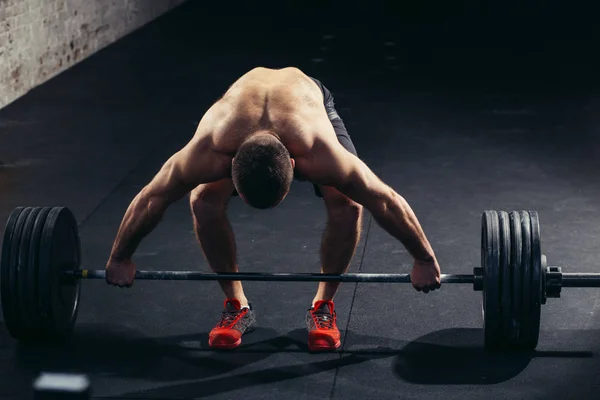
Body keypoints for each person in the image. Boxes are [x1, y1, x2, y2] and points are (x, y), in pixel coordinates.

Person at [105, 67, 441, 351]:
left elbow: (383, 199)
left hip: (308, 99)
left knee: (348, 203)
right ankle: (236, 306)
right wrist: (120, 255)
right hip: (241, 105)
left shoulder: (320, 151)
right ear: (230, 165)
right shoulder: (210, 148)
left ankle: (323, 305)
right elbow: (152, 198)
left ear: (297, 166)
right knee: (202, 199)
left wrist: (423, 257)